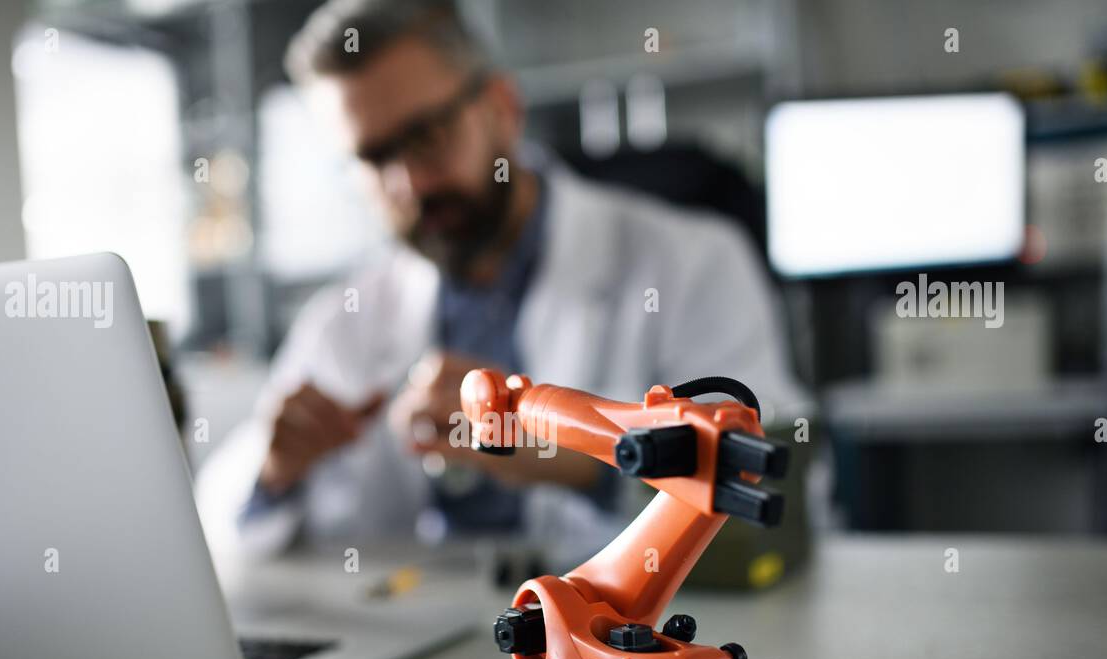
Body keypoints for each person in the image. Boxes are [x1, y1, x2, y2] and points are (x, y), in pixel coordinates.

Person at [196, 0, 810, 559]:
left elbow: (772, 491)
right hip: (417, 641)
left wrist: (577, 458)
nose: (410, 184)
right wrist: (275, 472)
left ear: (502, 109)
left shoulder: (692, 262)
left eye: (427, 136)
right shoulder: (345, 316)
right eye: (375, 158)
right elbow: (223, 529)